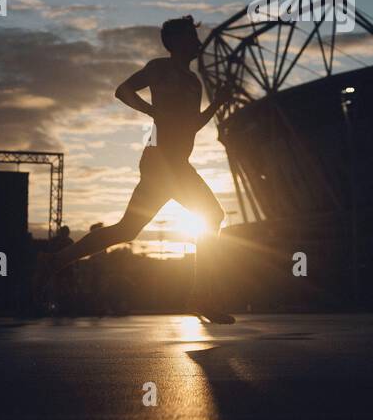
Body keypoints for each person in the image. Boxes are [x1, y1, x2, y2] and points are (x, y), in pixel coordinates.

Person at [35, 16, 235, 323]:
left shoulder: (194, 84)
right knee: (210, 216)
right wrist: (152, 111)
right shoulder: (160, 68)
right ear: (178, 41)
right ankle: (201, 296)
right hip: (160, 162)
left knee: (129, 229)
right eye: (192, 37)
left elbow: (192, 126)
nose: (198, 42)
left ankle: (55, 261)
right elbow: (123, 90)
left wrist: (216, 105)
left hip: (178, 164)